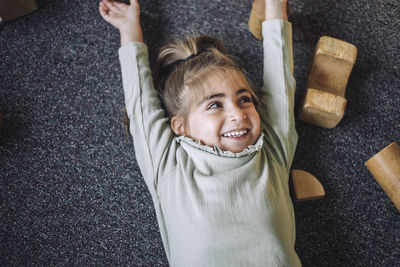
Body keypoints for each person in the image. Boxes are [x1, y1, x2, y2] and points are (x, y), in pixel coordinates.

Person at [99, 0, 300, 266]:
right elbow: (141, 104)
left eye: (244, 100)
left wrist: (275, 7)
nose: (238, 114)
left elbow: (280, 84)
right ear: (181, 127)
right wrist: (129, 30)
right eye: (215, 104)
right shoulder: (169, 166)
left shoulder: (271, 151)